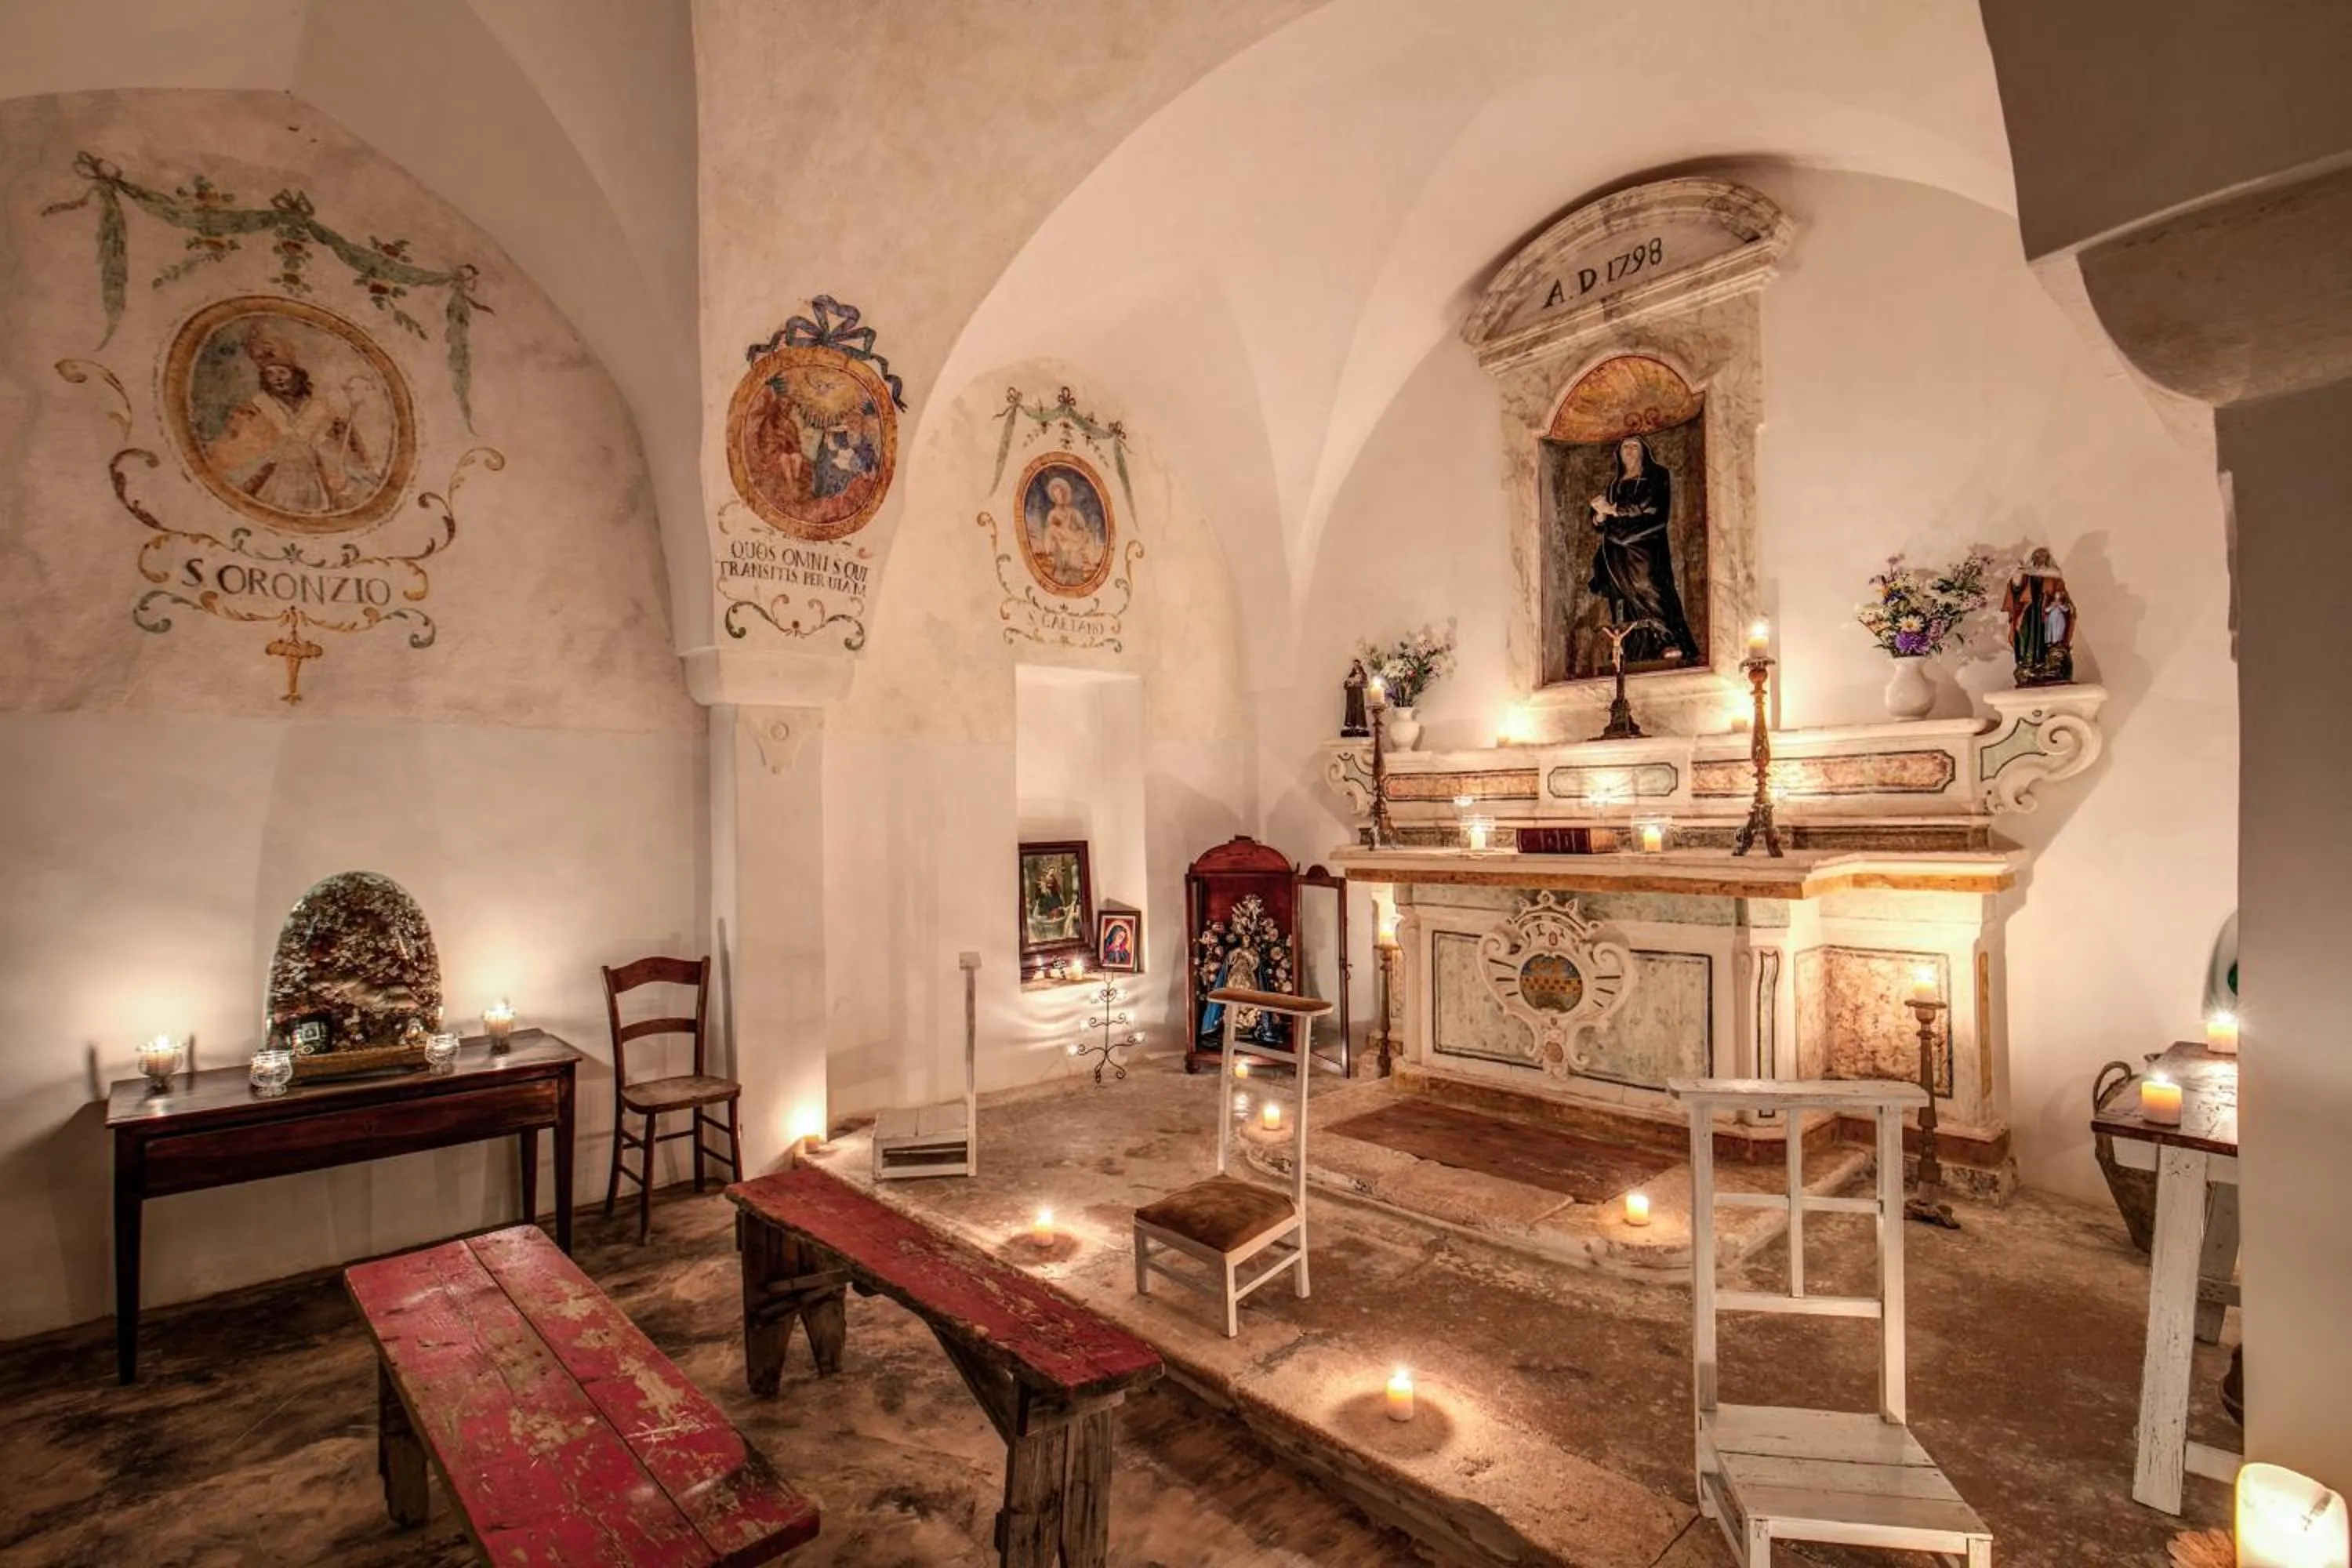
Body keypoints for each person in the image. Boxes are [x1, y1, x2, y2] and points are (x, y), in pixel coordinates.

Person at [203, 322, 380, 516]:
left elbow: (342, 447)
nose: (277, 378)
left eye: (282, 372)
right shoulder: (255, 408)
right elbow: (235, 446)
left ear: (296, 375)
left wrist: (339, 466)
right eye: (270, 374)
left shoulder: (321, 408)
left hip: (315, 477)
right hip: (272, 478)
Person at [1585, 434, 1700, 665]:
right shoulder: (1613, 484)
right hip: (1615, 550)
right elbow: (1599, 522)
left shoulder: (1657, 475)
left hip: (1644, 545)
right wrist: (1599, 514)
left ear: (1643, 452)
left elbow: (1652, 506)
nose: (1629, 451)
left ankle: (1667, 639)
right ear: (1618, 454)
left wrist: (1614, 510)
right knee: (1623, 598)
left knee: (1649, 588)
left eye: (1634, 447)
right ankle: (1629, 646)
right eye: (1624, 447)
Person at [2002, 546, 2076, 686]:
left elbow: (2061, 593)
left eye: (2043, 557)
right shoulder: (2027, 576)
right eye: (2037, 556)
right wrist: (2017, 579)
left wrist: (2059, 602)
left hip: (2047, 615)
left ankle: (2047, 664)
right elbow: (2016, 589)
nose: (2040, 559)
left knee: (2048, 638)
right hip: (2029, 612)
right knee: (2026, 636)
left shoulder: (2053, 575)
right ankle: (2028, 665)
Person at [1040, 475, 1102, 584]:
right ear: (1054, 498)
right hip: (1060, 547)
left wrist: (1072, 534)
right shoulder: (1052, 514)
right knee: (1060, 574)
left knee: (1075, 573)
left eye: (1061, 494)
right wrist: (1056, 530)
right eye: (1056, 495)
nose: (1059, 497)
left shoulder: (1074, 512)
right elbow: (1049, 532)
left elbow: (1083, 528)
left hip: (1074, 545)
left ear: (1065, 495)